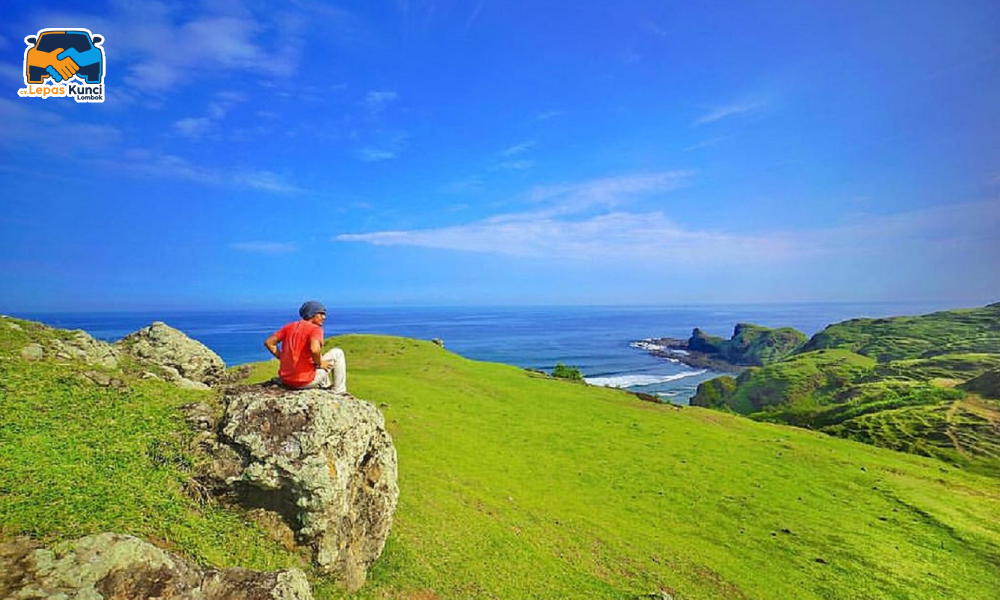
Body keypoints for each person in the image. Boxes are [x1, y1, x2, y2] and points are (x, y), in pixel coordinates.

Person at [264, 300, 347, 393]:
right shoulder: (315, 329)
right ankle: (339, 390)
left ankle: (325, 385)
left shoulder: (289, 327)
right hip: (305, 381)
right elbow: (314, 350)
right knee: (337, 353)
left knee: (317, 357)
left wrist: (282, 357)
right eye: (321, 314)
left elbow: (269, 342)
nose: (324, 317)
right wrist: (320, 363)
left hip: (286, 380)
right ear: (312, 314)